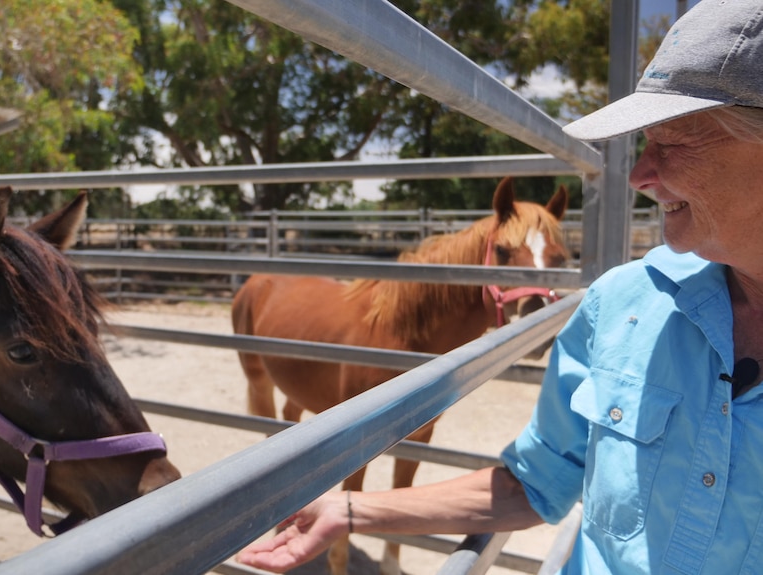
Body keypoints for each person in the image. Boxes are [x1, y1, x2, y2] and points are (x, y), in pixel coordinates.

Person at [236, 1, 763, 573]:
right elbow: (535, 483)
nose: (639, 174)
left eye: (675, 141)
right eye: (644, 143)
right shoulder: (621, 304)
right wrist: (351, 509)